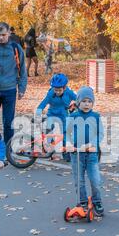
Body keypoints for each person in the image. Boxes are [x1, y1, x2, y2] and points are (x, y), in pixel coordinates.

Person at [66, 86, 104, 216]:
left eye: (89, 101)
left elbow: (100, 134)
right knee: (79, 180)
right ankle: (82, 202)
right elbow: (68, 133)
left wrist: (92, 144)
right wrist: (69, 143)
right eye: (84, 101)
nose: (87, 104)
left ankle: (97, 201)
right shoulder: (73, 116)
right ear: (78, 102)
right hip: (76, 154)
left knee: (95, 180)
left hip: (91, 154)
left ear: (92, 103)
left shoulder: (96, 116)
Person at [36, 73, 77, 162]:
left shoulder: (69, 92)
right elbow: (43, 103)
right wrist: (38, 112)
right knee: (49, 129)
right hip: (52, 113)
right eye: (56, 90)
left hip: (63, 114)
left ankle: (65, 152)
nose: (57, 92)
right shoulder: (51, 93)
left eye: (59, 90)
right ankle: (51, 148)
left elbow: (78, 99)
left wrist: (76, 105)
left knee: (65, 133)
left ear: (64, 88)